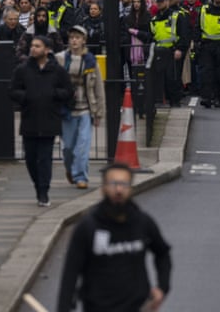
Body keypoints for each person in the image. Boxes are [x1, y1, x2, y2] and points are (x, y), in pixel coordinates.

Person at [55, 163, 172, 312]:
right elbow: (71, 272)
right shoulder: (88, 227)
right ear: (103, 188)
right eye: (113, 183)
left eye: (124, 184)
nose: (118, 190)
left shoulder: (142, 222)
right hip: (98, 307)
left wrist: (162, 287)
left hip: (137, 306)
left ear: (130, 188)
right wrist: (63, 308)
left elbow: (162, 253)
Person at [11, 36, 72, 206]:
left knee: (45, 159)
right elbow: (13, 90)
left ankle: (43, 191)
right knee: (30, 159)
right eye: (32, 46)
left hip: (49, 119)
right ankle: (38, 185)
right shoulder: (22, 70)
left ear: (47, 50)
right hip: (29, 119)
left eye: (37, 46)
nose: (33, 49)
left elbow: (68, 91)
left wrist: (54, 95)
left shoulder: (57, 71)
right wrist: (26, 97)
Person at [57, 26, 105, 189]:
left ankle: (81, 176)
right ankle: (70, 169)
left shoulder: (91, 60)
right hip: (67, 110)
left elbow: (98, 87)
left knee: (83, 147)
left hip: (85, 108)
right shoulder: (60, 59)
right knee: (68, 148)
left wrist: (99, 112)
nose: (74, 40)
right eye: (71, 37)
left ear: (84, 40)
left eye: (77, 37)